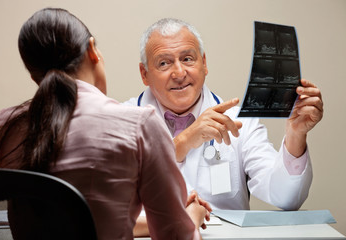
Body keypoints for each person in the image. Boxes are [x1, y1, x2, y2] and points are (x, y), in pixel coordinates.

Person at [0, 9, 208, 240]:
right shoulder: (139, 124)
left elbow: (74, 220)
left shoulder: (4, 126)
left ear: (33, 74)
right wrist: (192, 215)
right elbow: (175, 236)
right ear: (92, 50)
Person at [125, 18, 323, 213]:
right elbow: (116, 198)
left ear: (204, 63)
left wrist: (296, 134)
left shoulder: (240, 122)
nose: (179, 73)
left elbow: (285, 197)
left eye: (187, 59)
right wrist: (183, 141)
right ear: (144, 74)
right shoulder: (122, 119)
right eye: (164, 63)